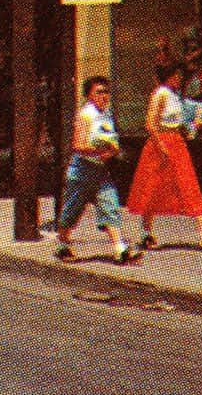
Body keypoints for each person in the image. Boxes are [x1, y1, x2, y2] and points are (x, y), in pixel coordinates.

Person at [127, 61, 202, 251]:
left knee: (188, 184)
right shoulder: (160, 93)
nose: (179, 78)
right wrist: (161, 146)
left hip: (176, 141)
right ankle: (146, 232)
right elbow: (150, 124)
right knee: (154, 187)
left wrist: (193, 126)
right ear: (167, 76)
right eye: (175, 75)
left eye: (179, 75)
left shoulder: (175, 95)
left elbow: (178, 121)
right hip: (162, 144)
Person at [54, 76, 138, 265]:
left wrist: (113, 151)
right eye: (99, 92)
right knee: (72, 211)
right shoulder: (86, 114)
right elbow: (78, 144)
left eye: (106, 91)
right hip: (82, 171)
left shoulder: (106, 114)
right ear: (88, 95)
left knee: (110, 204)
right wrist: (102, 149)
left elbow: (111, 140)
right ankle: (62, 244)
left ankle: (119, 249)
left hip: (100, 171)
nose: (104, 95)